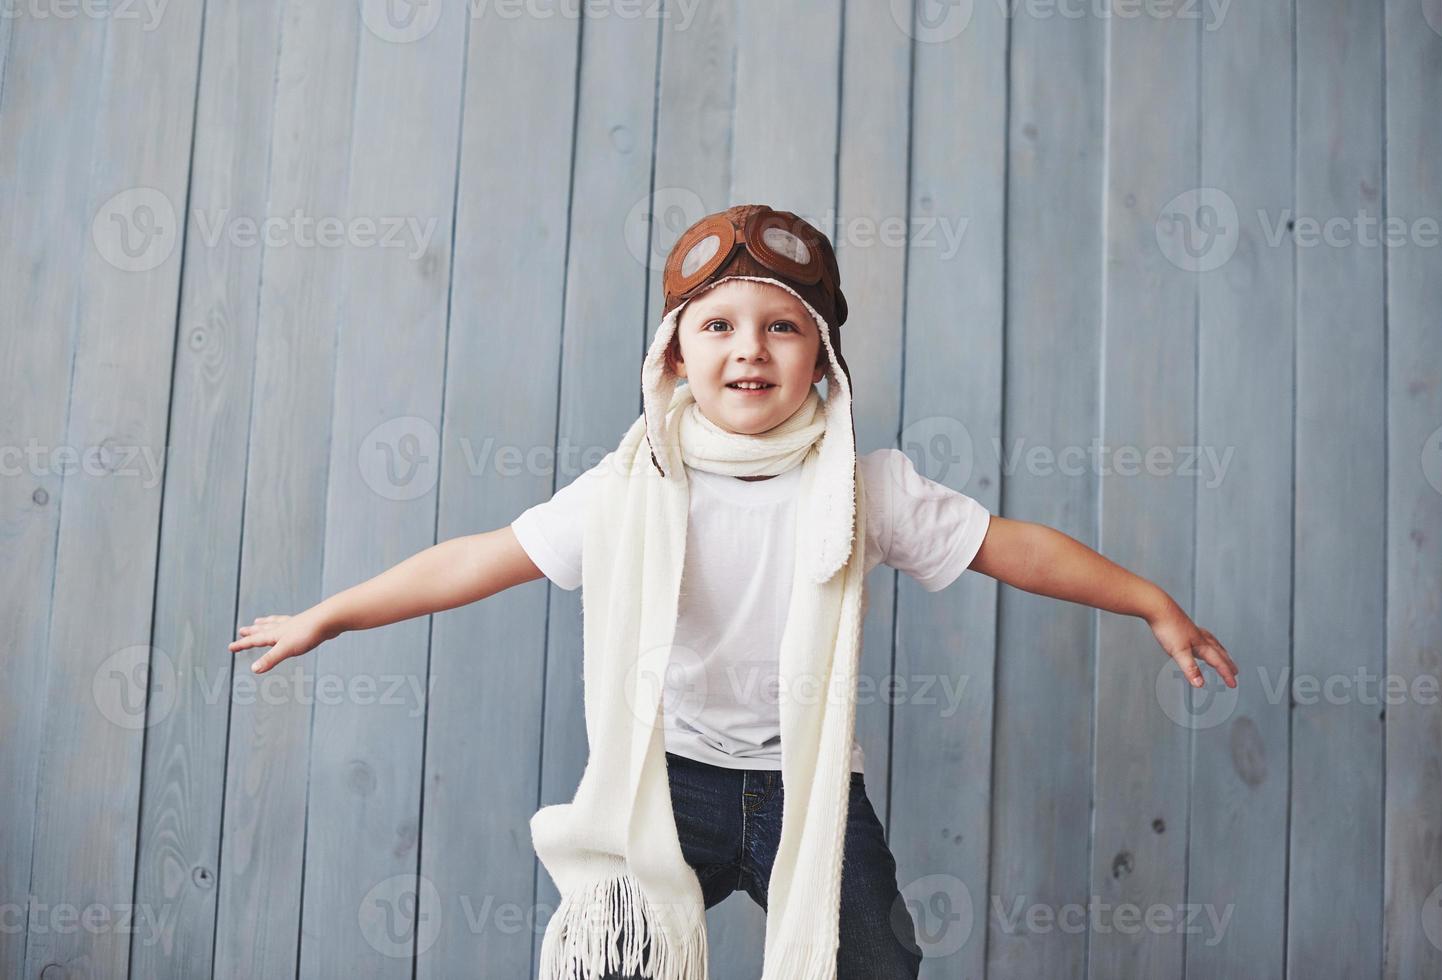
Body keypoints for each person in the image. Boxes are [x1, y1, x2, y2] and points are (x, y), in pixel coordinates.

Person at [229, 204, 1238, 980]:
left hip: (810, 793)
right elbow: (479, 557)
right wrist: (332, 612)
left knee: (880, 959)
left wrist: (1150, 599)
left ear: (822, 362)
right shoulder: (632, 487)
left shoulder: (864, 486)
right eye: (718, 324)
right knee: (606, 956)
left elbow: (1013, 547)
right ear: (676, 354)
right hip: (671, 783)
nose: (749, 347)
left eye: (781, 327)